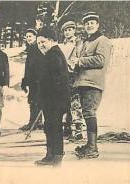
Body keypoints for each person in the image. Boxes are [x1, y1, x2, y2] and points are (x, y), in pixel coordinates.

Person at [72, 12, 112, 158]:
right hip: (83, 82)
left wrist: (80, 61)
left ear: (98, 25)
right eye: (87, 23)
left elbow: (101, 60)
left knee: (89, 113)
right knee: (86, 113)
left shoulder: (103, 40)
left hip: (93, 83)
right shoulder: (86, 42)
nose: (89, 25)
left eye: (92, 22)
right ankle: (90, 145)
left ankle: (92, 148)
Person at [34, 27, 71, 166]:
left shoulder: (54, 55)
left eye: (43, 42)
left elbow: (58, 80)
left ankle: (56, 156)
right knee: (49, 126)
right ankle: (50, 155)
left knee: (54, 127)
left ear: (51, 40)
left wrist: (48, 98)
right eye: (38, 43)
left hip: (55, 100)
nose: (40, 45)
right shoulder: (51, 54)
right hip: (51, 100)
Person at [60, 19, 85, 141]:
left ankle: (78, 129)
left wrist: (71, 64)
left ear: (74, 30)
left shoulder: (78, 43)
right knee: (65, 102)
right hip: (65, 77)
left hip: (74, 75)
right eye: (65, 30)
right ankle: (67, 128)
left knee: (75, 103)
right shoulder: (63, 45)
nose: (67, 32)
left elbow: (79, 57)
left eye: (70, 30)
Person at [20, 28, 44, 131]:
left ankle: (34, 123)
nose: (29, 38)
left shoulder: (37, 48)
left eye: (31, 36)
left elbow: (40, 65)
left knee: (36, 100)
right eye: (27, 36)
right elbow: (28, 67)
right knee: (33, 100)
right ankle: (37, 122)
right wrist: (25, 80)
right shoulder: (30, 49)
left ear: (35, 37)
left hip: (38, 79)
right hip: (32, 80)